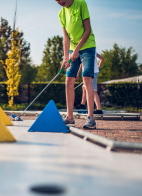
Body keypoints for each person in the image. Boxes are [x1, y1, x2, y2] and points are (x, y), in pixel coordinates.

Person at [55, 0, 97, 129]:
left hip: (88, 47)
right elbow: (66, 38)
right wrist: (65, 58)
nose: (59, 2)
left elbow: (88, 30)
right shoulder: (61, 13)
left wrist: (77, 50)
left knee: (86, 79)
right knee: (68, 80)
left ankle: (90, 118)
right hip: (73, 50)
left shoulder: (81, 4)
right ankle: (69, 118)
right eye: (56, 0)